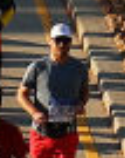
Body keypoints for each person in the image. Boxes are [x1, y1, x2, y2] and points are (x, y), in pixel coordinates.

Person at [16, 25, 88, 158]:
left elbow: (84, 92)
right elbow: (21, 94)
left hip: (68, 133)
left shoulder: (80, 68)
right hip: (41, 133)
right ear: (50, 41)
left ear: (70, 42)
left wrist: (81, 104)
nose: (62, 45)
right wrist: (34, 113)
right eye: (58, 40)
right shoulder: (38, 66)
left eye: (66, 41)